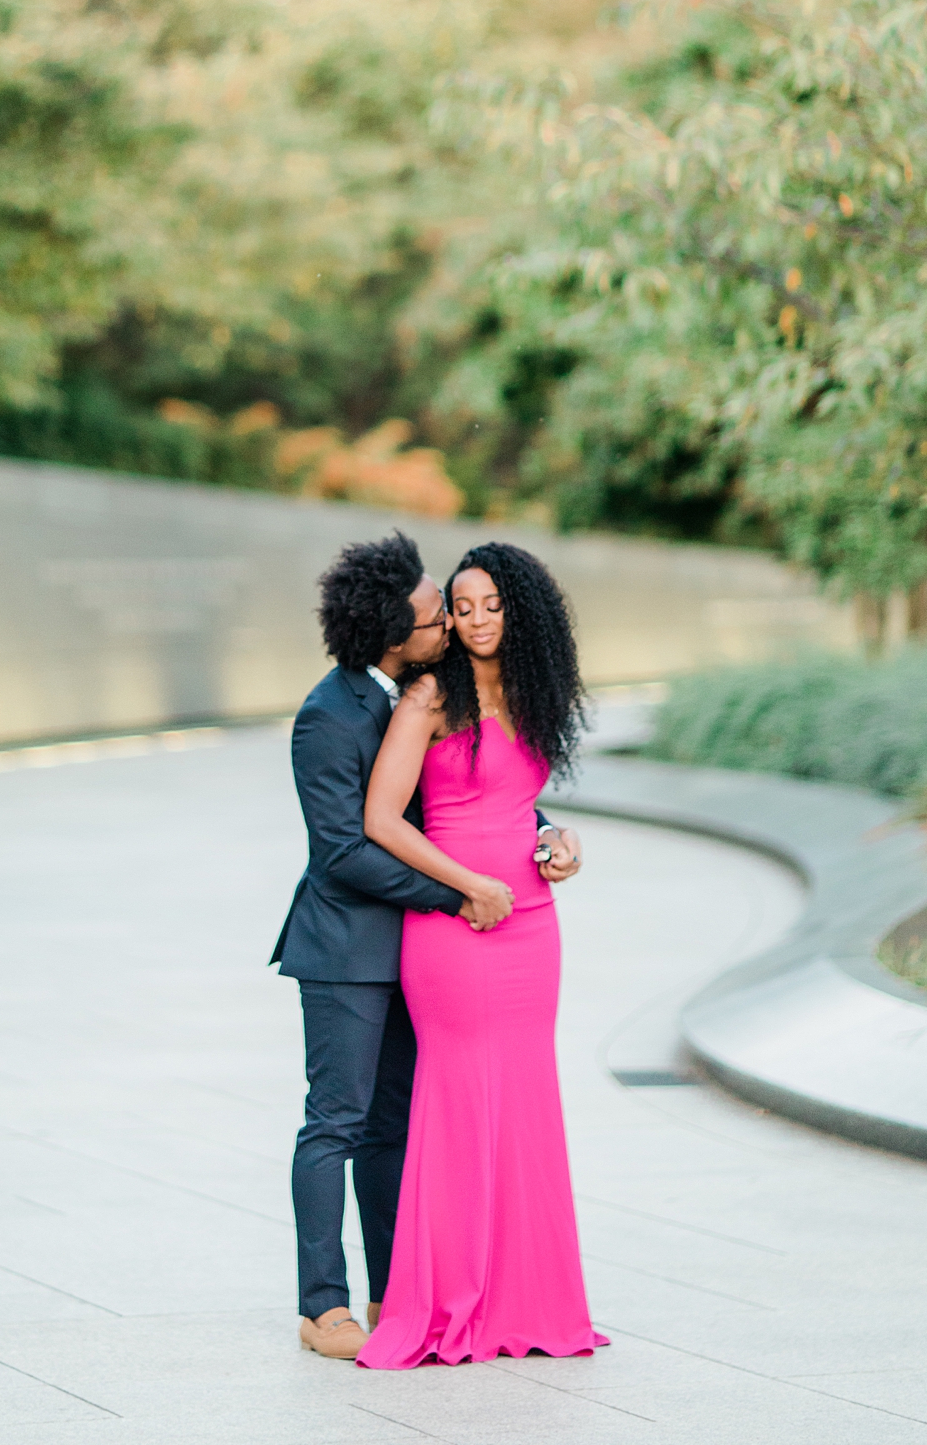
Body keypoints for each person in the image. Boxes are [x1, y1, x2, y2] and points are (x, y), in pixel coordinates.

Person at [272, 530, 581, 1362]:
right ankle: (321, 1307)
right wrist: (460, 892)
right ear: (390, 632)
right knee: (335, 1122)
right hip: (353, 949)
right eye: (438, 614)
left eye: (465, 609)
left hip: (450, 936)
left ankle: (395, 1287)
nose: (450, 623)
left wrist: (546, 833)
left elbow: (469, 798)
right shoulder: (330, 716)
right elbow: (349, 847)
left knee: (395, 1127)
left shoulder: (438, 688)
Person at [356, 540, 607, 1368]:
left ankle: (529, 1302)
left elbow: (523, 805)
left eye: (491, 604)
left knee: (527, 1100)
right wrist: (467, 886)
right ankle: (451, 1299)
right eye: (461, 608)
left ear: (522, 608)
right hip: (454, 930)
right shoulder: (430, 696)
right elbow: (384, 821)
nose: (477, 620)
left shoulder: (536, 696)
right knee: (460, 1100)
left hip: (533, 923)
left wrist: (559, 843)